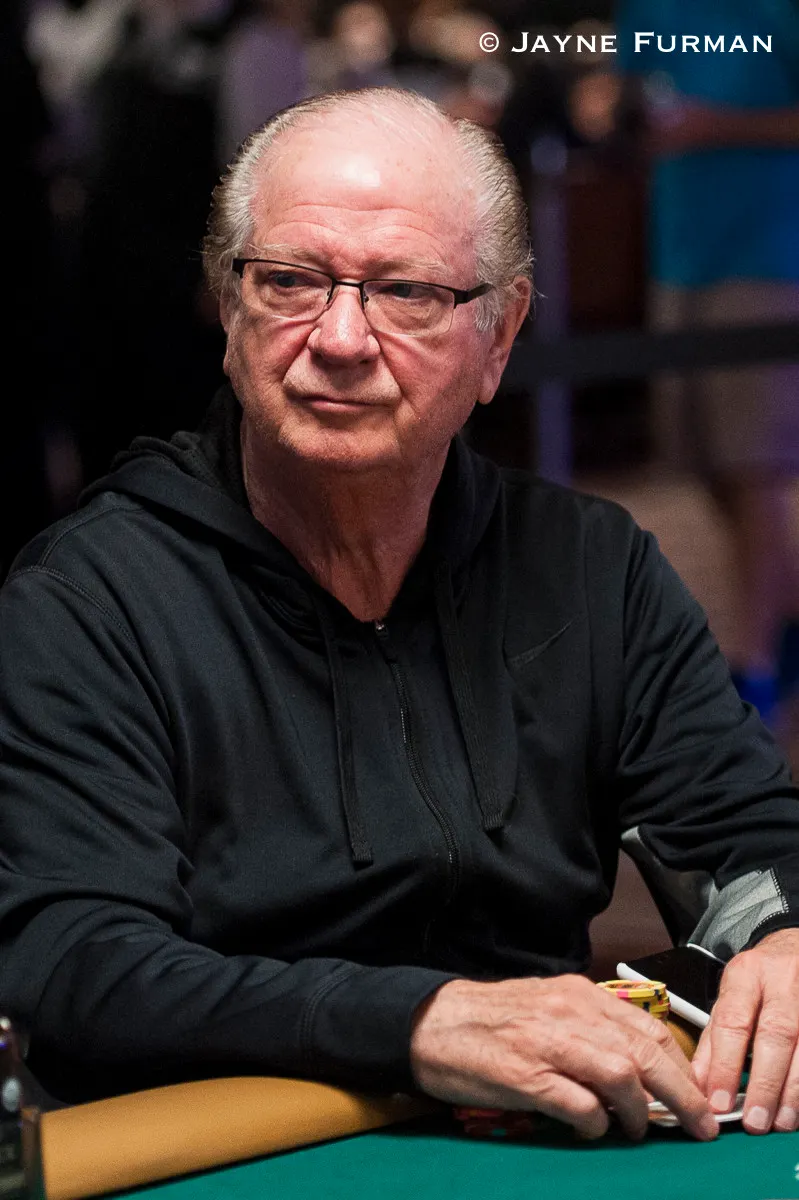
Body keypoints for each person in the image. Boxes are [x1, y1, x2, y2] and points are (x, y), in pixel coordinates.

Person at [2, 88, 799, 1143]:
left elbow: (746, 839)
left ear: (498, 334)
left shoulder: (590, 568)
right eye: (290, 281)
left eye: (406, 292)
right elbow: (76, 963)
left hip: (542, 1141)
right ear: (229, 311)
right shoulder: (89, 597)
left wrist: (785, 936)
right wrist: (423, 1020)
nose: (339, 337)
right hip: (217, 1150)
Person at [614, 0, 799, 725]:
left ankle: (755, 667)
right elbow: (632, 105)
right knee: (702, 464)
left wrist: (715, 127)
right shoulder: (647, 8)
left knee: (753, 466)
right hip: (677, 254)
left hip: (768, 255)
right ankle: (784, 621)